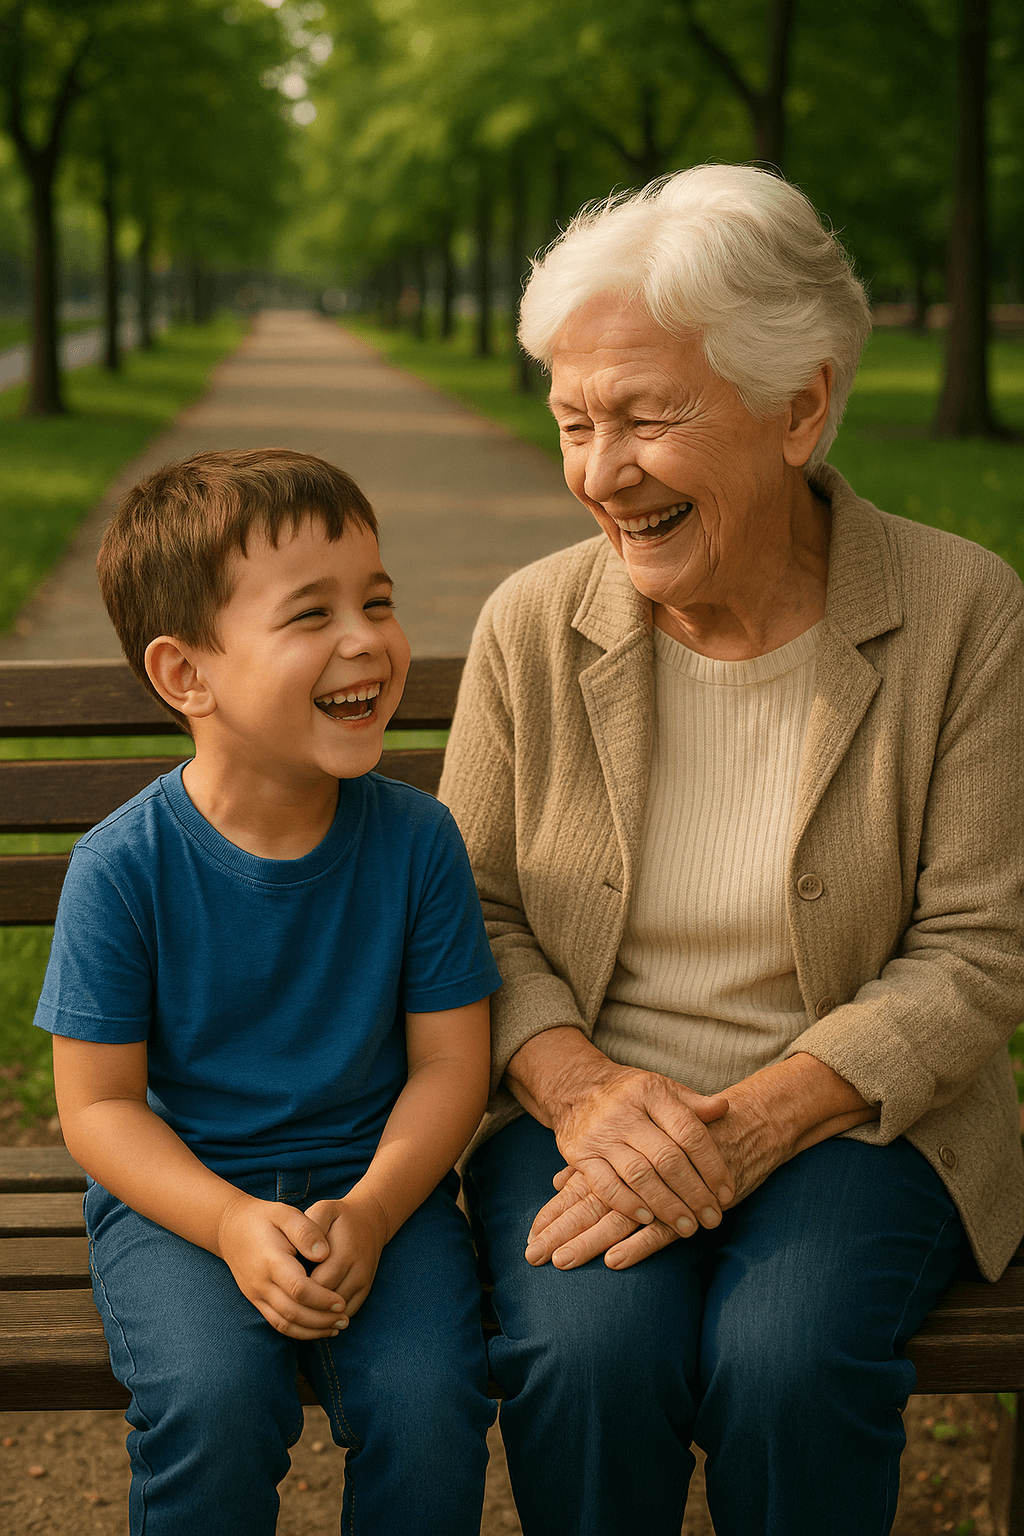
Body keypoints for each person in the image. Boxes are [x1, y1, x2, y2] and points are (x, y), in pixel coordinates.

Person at [440, 165, 1024, 1536]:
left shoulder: (962, 613)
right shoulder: (533, 624)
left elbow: (983, 945)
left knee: (789, 1361)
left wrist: (752, 1123)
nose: (598, 472)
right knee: (584, 1354)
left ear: (801, 408)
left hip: (863, 1114)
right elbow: (461, 912)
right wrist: (581, 1090)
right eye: (576, 422)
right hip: (581, 1108)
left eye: (646, 417)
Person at [35, 449, 501, 1536]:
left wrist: (379, 1211)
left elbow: (449, 1064)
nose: (366, 640)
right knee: (213, 1398)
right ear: (186, 674)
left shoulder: (417, 843)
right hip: (187, 1202)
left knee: (433, 1399)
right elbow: (98, 1106)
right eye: (311, 614)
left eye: (376, 601)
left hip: (377, 1188)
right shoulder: (124, 866)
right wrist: (233, 1221)